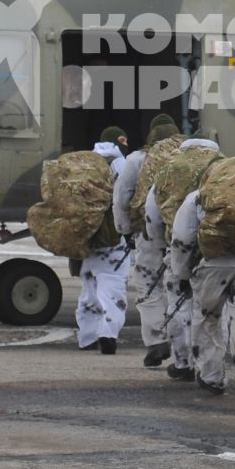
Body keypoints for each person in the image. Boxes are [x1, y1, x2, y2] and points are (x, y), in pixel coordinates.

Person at [169, 155, 235, 399]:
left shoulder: (198, 196)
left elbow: (182, 237)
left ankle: (211, 375)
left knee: (207, 319)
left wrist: (181, 273)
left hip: (210, 265)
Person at [148, 133, 220, 382]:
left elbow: (152, 212)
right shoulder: (223, 165)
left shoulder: (169, 167)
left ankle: (183, 362)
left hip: (177, 246)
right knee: (212, 310)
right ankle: (212, 365)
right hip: (215, 249)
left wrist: (160, 244)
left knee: (178, 302)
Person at [114, 114, 180, 366]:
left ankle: (155, 340)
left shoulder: (138, 159)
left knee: (148, 286)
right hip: (184, 234)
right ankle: (185, 356)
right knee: (180, 289)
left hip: (149, 233)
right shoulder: (192, 157)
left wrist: (124, 229)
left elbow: (122, 198)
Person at [72, 129, 132, 354]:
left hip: (88, 236)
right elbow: (129, 198)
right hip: (114, 237)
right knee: (113, 285)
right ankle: (107, 335)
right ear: (118, 141)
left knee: (89, 286)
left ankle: (86, 336)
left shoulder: (87, 162)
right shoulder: (122, 165)